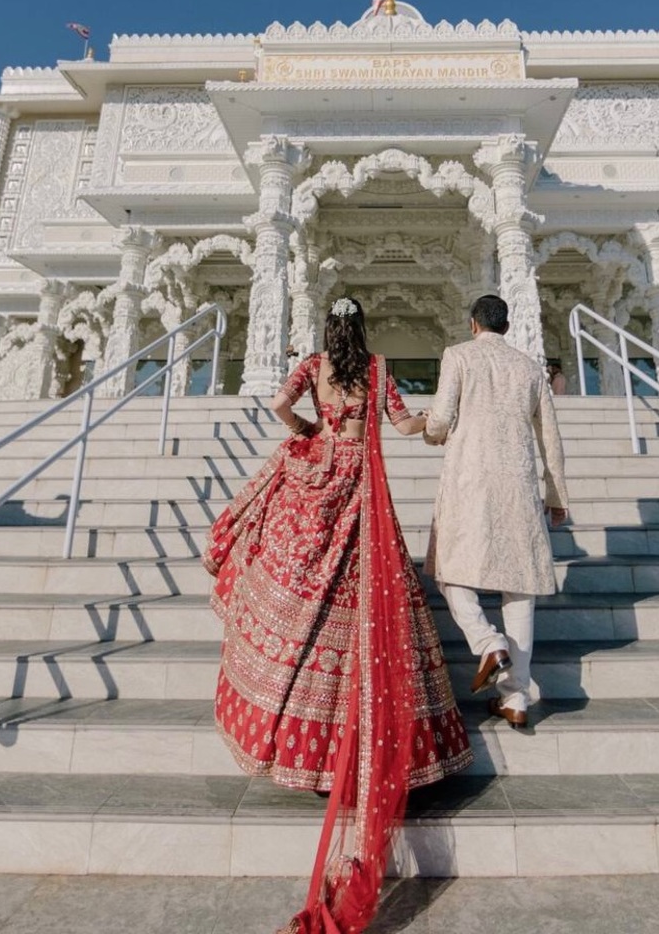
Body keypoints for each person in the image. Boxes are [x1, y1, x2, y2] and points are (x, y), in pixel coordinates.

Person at [204, 296, 473, 934]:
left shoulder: (314, 365)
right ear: (365, 331)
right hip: (364, 484)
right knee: (368, 586)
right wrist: (444, 421)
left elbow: (277, 407)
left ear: (330, 331)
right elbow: (402, 426)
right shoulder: (379, 368)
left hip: (322, 472)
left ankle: (296, 711)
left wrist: (305, 431)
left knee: (306, 574)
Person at [424, 295, 569, 729]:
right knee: (520, 587)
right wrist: (557, 494)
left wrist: (431, 433)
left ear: (473, 325)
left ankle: (487, 643)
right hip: (519, 481)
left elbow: (440, 418)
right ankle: (516, 696)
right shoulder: (528, 367)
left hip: (469, 478)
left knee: (449, 571)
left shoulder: (458, 356)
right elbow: (550, 435)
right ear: (506, 327)